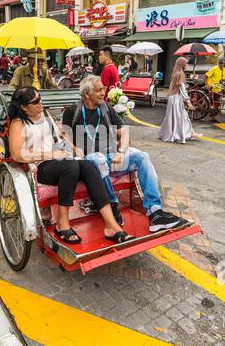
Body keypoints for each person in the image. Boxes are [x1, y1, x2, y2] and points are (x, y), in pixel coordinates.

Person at [8, 86, 134, 245]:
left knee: (89, 166)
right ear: (23, 107)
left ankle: (111, 226)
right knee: (70, 167)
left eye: (40, 98)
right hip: (41, 166)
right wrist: (51, 155)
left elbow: (59, 135)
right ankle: (62, 224)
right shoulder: (18, 123)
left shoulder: (44, 115)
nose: (41, 103)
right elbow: (17, 154)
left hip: (61, 159)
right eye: (36, 101)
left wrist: (73, 147)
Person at [62, 75, 188, 233]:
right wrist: (74, 147)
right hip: (89, 163)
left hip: (112, 158)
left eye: (104, 89)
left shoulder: (107, 109)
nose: (103, 92)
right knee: (97, 158)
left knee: (142, 157)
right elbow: (64, 134)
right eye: (99, 90)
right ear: (87, 94)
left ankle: (155, 213)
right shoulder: (72, 111)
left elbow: (124, 133)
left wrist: (121, 152)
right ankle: (112, 204)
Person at [159, 57, 203, 144]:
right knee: (181, 116)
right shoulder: (180, 74)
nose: (187, 65)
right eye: (185, 63)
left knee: (175, 117)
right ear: (181, 64)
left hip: (174, 98)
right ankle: (184, 134)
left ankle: (186, 133)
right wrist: (188, 102)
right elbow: (182, 89)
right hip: (176, 98)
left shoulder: (177, 73)